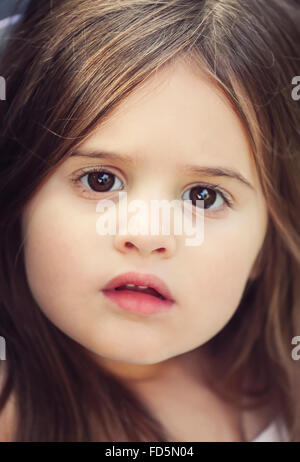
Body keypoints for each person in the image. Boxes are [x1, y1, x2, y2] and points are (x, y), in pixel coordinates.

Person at [0, 0, 299, 442]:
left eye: (204, 196)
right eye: (101, 181)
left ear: (265, 245)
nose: (147, 234)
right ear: (21, 189)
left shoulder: (282, 389)